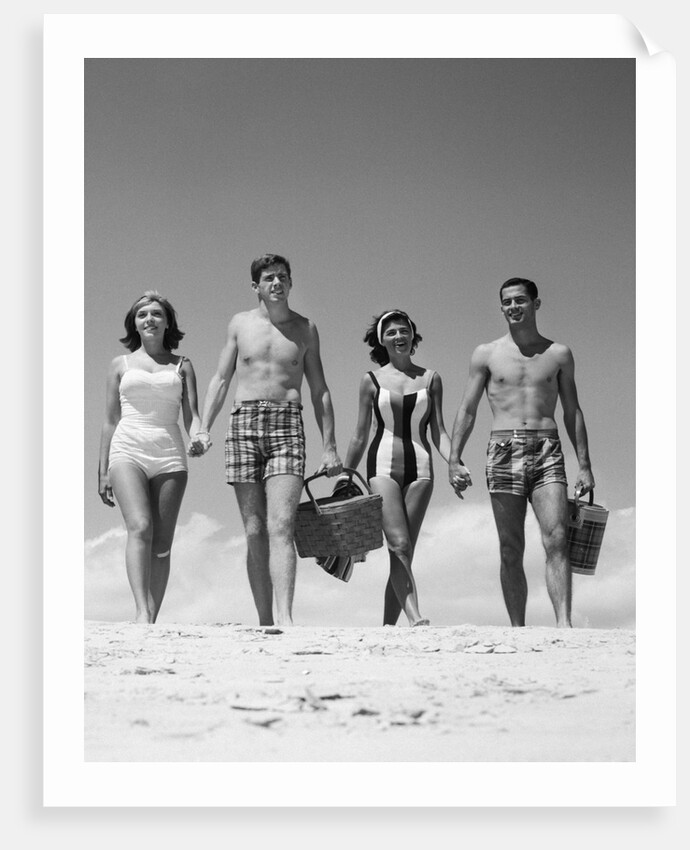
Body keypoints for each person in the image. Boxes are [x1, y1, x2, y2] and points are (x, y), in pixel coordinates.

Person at [192, 253, 342, 627]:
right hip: (243, 422)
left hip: (287, 423)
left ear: (290, 283)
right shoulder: (240, 324)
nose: (277, 283)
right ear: (256, 286)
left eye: (283, 277)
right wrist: (202, 427)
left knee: (281, 524)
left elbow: (320, 389)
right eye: (269, 278)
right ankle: (264, 622)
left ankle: (286, 617)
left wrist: (330, 446)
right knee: (254, 527)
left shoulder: (306, 328)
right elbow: (221, 378)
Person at [448, 278, 595, 628]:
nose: (513, 307)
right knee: (510, 547)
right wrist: (454, 457)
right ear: (501, 308)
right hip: (503, 448)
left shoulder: (558, 353)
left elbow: (572, 410)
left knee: (557, 537)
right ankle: (519, 630)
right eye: (507, 302)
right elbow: (468, 408)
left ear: (536, 304)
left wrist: (585, 466)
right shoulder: (486, 353)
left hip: (547, 447)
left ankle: (564, 624)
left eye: (520, 301)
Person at [98, 291, 204, 624]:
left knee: (162, 542)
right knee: (140, 527)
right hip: (127, 448)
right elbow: (109, 421)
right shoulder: (121, 364)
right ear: (135, 323)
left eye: (157, 314)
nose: (150, 319)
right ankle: (141, 611)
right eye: (143, 314)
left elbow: (193, 416)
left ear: (167, 322)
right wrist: (101, 472)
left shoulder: (183, 365)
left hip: (169, 453)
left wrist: (200, 436)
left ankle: (152, 618)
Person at [342, 309, 452, 626]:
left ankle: (388, 628)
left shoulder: (431, 378)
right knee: (399, 544)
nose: (398, 336)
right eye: (391, 332)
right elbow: (360, 434)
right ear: (382, 340)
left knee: (402, 552)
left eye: (403, 331)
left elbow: (439, 433)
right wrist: (346, 476)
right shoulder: (371, 380)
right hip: (382, 468)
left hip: (422, 469)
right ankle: (416, 616)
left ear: (412, 336)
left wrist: (454, 463)